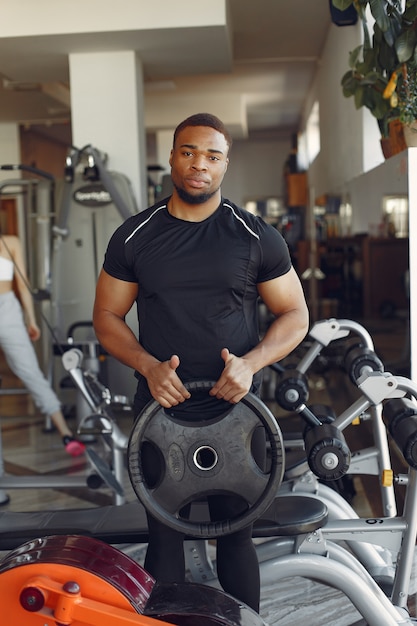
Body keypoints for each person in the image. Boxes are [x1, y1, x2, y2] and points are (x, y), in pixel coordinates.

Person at [93, 112, 309, 612]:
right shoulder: (134, 235)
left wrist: (251, 362)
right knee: (165, 541)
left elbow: (294, 314)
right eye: (189, 152)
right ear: (172, 157)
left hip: (237, 413)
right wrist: (148, 365)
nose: (199, 165)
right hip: (160, 414)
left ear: (225, 165)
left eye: (212, 156)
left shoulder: (255, 236)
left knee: (236, 537)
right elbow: (106, 316)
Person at [0, 231, 85, 457]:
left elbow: (23, 282)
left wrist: (31, 318)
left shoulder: (11, 242)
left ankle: (65, 432)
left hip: (8, 310)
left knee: (30, 372)